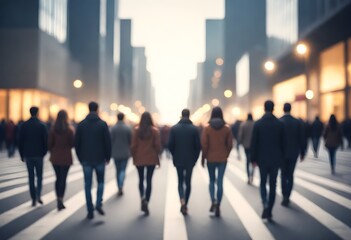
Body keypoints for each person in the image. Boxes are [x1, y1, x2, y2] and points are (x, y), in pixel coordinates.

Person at [75, 102, 111, 220]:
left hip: (86, 159)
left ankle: (89, 210)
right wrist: (108, 156)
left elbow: (77, 144)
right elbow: (107, 142)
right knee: (100, 182)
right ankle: (98, 203)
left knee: (87, 185)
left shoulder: (81, 125)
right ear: (97, 109)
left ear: (88, 109)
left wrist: (80, 158)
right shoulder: (103, 124)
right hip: (100, 158)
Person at [251, 100, 284, 221]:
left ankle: (264, 203)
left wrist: (253, 159)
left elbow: (254, 143)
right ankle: (269, 209)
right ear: (273, 108)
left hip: (262, 159)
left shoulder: (258, 124)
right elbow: (283, 143)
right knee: (273, 184)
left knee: (263, 182)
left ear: (264, 108)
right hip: (275, 159)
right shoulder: (279, 124)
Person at [168, 109, 201, 215]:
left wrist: (174, 155)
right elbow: (198, 146)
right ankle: (186, 203)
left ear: (181, 115)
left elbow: (170, 145)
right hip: (190, 160)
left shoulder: (174, 129)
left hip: (178, 159)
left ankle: (181, 200)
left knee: (180, 181)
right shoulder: (194, 129)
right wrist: (195, 159)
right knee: (188, 182)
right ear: (189, 115)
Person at [201, 107, 233, 217]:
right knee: (220, 181)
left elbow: (204, 145)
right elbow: (230, 144)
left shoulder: (207, 128)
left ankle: (213, 200)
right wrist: (226, 154)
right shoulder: (226, 129)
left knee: (211, 180)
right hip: (222, 159)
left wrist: (203, 158)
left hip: (210, 158)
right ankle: (218, 203)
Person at [131, 112, 161, 215]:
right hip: (151, 159)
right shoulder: (154, 131)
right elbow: (157, 146)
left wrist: (134, 156)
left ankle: (142, 197)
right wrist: (158, 155)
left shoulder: (136, 130)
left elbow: (133, 145)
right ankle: (147, 201)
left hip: (139, 158)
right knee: (149, 180)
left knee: (140, 179)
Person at [18, 107, 48, 207]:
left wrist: (22, 154)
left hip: (28, 154)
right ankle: (38, 194)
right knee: (39, 176)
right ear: (38, 113)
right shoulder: (42, 125)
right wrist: (44, 153)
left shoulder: (24, 125)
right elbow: (45, 141)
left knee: (31, 177)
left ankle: (33, 198)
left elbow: (20, 141)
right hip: (39, 155)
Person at [280, 103, 306, 207]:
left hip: (282, 153)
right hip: (293, 152)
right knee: (290, 174)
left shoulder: (279, 121)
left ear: (283, 109)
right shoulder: (297, 122)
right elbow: (302, 138)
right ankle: (288, 195)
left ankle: (284, 195)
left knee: (283, 174)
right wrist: (302, 152)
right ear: (291, 109)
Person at [48, 110, 74, 210]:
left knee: (58, 178)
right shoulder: (69, 130)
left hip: (55, 157)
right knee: (63, 179)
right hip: (66, 157)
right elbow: (72, 144)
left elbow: (49, 144)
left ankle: (58, 198)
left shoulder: (53, 129)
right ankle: (61, 199)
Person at [110, 112, 132, 196]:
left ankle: (118, 186)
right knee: (123, 170)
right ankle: (121, 185)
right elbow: (130, 141)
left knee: (118, 170)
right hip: (125, 153)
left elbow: (111, 140)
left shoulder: (113, 128)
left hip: (115, 153)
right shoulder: (128, 128)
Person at [238, 113, 255, 184]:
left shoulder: (243, 125)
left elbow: (240, 135)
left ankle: (248, 176)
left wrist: (240, 143)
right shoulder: (255, 124)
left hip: (246, 145)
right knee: (253, 161)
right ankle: (252, 175)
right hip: (254, 146)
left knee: (247, 161)